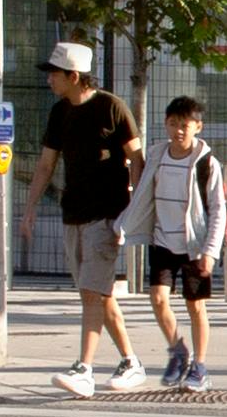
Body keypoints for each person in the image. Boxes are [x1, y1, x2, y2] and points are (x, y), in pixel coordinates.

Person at [23, 43, 147, 394]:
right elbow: (46, 164)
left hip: (106, 216)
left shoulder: (112, 108)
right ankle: (131, 361)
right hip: (72, 214)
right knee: (97, 293)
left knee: (92, 293)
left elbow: (136, 160)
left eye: (54, 73)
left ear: (73, 76)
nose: (49, 79)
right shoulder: (59, 113)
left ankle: (84, 368)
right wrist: (30, 207)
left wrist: (132, 212)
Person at [126, 95, 227, 395]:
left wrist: (210, 252)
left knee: (195, 306)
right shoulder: (157, 156)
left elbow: (218, 210)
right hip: (162, 240)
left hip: (195, 244)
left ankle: (199, 366)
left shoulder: (207, 164)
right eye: (173, 124)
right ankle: (178, 349)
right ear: (165, 123)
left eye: (184, 125)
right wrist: (125, 226)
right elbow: (142, 194)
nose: (178, 130)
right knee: (158, 299)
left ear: (197, 127)